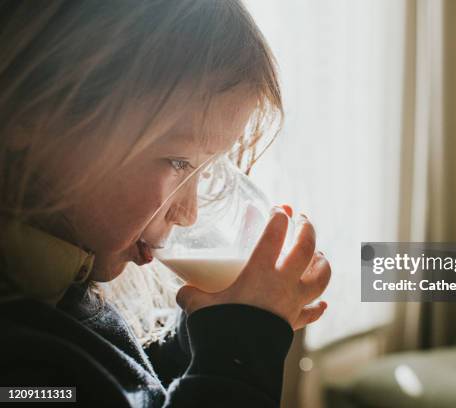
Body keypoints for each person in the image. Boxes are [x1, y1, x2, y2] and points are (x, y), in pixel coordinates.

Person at [0, 1, 331, 407]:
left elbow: (126, 388)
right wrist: (239, 355)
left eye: (205, 171)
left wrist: (201, 336)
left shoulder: (60, 290)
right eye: (179, 163)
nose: (188, 213)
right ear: (36, 113)